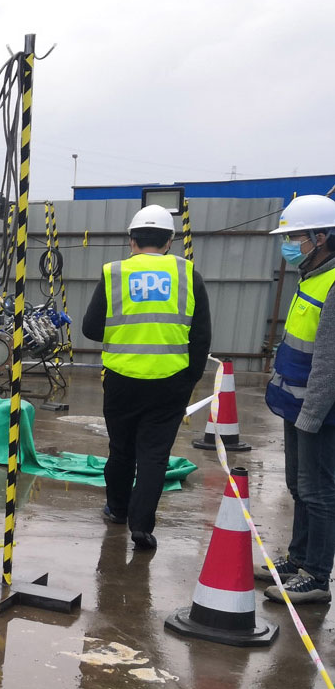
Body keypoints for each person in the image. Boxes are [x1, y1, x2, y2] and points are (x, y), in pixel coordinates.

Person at [81, 204, 211, 551]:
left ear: (131, 240)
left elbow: (91, 328)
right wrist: (190, 378)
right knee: (154, 455)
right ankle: (142, 527)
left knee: (121, 450)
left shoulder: (115, 273)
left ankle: (118, 510)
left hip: (122, 380)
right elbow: (201, 336)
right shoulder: (188, 274)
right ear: (170, 240)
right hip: (171, 382)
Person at [258, 195, 335, 604]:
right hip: (296, 405)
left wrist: (311, 415)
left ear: (320, 238)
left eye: (295, 237)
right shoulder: (311, 277)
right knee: (298, 486)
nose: (288, 245)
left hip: (318, 412)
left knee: (318, 491)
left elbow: (328, 363)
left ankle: (317, 576)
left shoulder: (333, 283)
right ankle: (298, 558)